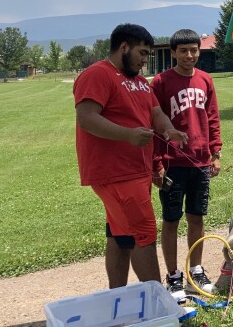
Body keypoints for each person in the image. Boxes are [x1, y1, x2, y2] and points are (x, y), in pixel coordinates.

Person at [73, 23, 188, 288]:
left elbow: (155, 112)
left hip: (135, 171)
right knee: (144, 234)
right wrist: (127, 135)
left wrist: (169, 130)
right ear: (124, 47)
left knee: (120, 235)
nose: (145, 60)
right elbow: (86, 118)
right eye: (142, 53)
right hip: (116, 173)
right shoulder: (98, 74)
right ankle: (158, 303)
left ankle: (118, 298)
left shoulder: (138, 81)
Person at [151, 29, 222, 298]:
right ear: (173, 53)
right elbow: (154, 125)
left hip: (200, 161)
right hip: (172, 164)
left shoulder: (205, 80)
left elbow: (213, 118)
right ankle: (173, 276)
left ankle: (196, 269)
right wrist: (156, 162)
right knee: (171, 220)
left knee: (197, 217)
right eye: (183, 51)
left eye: (193, 50)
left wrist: (215, 152)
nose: (189, 55)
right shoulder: (161, 82)